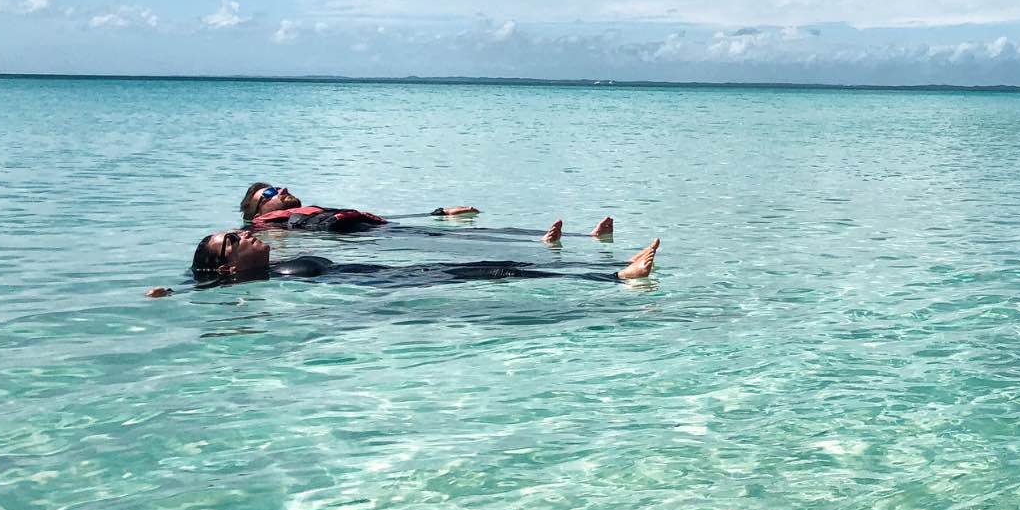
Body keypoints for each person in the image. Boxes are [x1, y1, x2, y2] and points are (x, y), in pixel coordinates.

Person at [146, 221, 658, 298]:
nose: (241, 238)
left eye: (236, 233)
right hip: (389, 287)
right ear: (229, 269)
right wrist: (168, 295)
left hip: (391, 276)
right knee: (497, 272)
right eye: (230, 244)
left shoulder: (270, 271)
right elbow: (200, 292)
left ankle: (609, 273)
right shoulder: (256, 283)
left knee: (498, 267)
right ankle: (615, 276)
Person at [241, 181, 481, 231]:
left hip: (379, 232)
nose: (282, 190)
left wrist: (439, 213)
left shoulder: (304, 215)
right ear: (258, 212)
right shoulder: (266, 227)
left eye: (279, 187)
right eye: (270, 193)